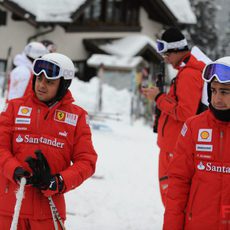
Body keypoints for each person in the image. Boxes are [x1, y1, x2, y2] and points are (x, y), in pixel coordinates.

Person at [0, 52, 98, 229]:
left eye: (50, 82)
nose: (41, 85)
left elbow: (87, 161)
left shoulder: (76, 117)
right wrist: (14, 170)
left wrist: (59, 181)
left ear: (63, 85)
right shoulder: (14, 108)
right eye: (39, 79)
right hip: (9, 208)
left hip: (48, 211)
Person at [141, 27, 207, 205]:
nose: (166, 58)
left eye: (167, 53)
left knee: (173, 201)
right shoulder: (186, 72)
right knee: (173, 200)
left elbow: (186, 113)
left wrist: (158, 98)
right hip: (172, 147)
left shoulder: (189, 75)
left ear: (177, 50)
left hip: (174, 150)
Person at [163, 56, 230, 230]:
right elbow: (178, 181)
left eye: (224, 92)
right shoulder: (194, 126)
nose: (216, 99)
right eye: (213, 91)